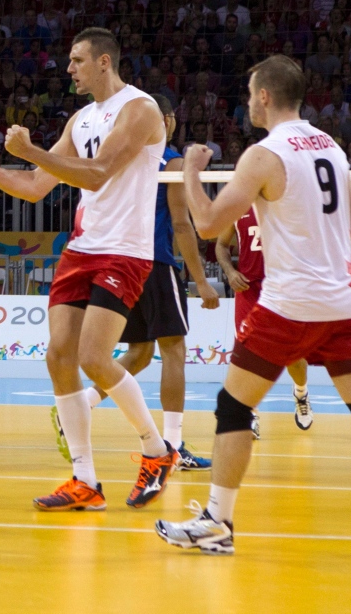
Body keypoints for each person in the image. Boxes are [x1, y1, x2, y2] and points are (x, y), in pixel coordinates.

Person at [156, 55, 351, 555]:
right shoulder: (333, 148)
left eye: (251, 93)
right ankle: (216, 523)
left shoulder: (265, 154)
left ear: (265, 96)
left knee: (233, 406)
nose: (248, 101)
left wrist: (189, 169)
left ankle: (217, 523)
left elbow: (206, 224)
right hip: (344, 302)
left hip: (290, 305)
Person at [0, 27, 179, 512]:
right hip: (83, 247)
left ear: (105, 61)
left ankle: (157, 450)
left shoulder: (139, 110)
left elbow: (99, 174)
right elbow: (38, 185)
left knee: (94, 357)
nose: (69, 68)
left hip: (125, 249)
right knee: (59, 355)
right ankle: (85, 480)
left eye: (78, 60)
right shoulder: (82, 119)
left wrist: (31, 150)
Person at [52, 94, 221, 471]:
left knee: (139, 352)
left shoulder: (123, 151)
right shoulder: (170, 159)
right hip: (152, 262)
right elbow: (182, 223)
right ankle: (173, 446)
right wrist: (201, 280)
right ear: (166, 120)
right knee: (173, 351)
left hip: (115, 259)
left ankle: (81, 406)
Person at [215, 209, 311, 438]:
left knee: (294, 357)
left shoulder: (285, 202)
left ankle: (301, 394)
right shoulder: (238, 206)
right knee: (248, 355)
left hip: (282, 288)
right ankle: (251, 415)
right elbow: (220, 245)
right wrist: (230, 272)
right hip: (249, 288)